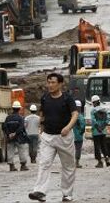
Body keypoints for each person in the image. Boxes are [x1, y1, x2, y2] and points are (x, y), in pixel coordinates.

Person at [29, 73, 78, 203]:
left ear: (60, 84)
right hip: (47, 137)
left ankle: (67, 194)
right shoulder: (45, 98)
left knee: (68, 166)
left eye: (53, 82)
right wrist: (41, 126)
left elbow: (75, 114)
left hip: (64, 137)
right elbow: (42, 113)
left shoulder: (67, 98)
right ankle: (40, 192)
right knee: (44, 163)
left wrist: (68, 127)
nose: (50, 85)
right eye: (48, 82)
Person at [4, 101, 30, 172]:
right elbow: (21, 127)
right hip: (19, 138)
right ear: (19, 109)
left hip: (10, 138)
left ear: (13, 108)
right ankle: (23, 166)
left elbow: (5, 127)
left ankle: (11, 166)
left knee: (10, 151)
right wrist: (15, 133)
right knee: (22, 151)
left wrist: (9, 134)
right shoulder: (21, 118)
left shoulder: (8, 118)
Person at [90, 95, 110, 168]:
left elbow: (93, 121)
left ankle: (100, 162)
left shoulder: (93, 111)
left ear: (94, 103)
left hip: (96, 132)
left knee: (97, 147)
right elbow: (108, 119)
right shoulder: (104, 109)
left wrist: (98, 128)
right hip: (103, 131)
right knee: (104, 145)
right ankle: (107, 158)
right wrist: (102, 127)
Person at [73, 100, 86, 168]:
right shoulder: (81, 116)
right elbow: (83, 126)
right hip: (79, 137)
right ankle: (77, 163)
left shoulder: (71, 116)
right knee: (78, 149)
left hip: (71, 136)